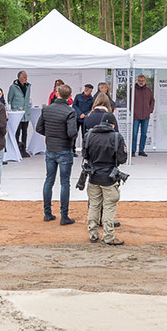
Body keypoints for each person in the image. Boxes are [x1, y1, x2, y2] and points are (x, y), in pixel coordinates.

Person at [82, 110, 128, 245]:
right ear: (113, 125)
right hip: (109, 178)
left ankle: (93, 234)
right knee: (109, 206)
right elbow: (122, 158)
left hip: (93, 176)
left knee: (94, 205)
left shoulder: (89, 135)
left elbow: (85, 154)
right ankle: (108, 236)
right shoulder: (116, 137)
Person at [37, 84, 79, 224]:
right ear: (69, 96)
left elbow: (39, 128)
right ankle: (64, 216)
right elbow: (72, 133)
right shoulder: (70, 111)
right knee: (64, 182)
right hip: (64, 149)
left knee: (49, 180)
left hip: (51, 148)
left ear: (56, 94)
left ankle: (47, 213)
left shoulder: (47, 109)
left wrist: (50, 134)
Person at [8, 71, 32, 157]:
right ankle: (16, 149)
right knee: (17, 132)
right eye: (25, 77)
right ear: (20, 78)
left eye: (26, 77)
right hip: (17, 114)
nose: (26, 79)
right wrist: (14, 108)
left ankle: (23, 150)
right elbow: (9, 99)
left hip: (25, 114)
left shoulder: (28, 86)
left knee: (25, 132)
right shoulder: (13, 87)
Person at [132, 73, 154, 157]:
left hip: (145, 116)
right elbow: (129, 100)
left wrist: (150, 110)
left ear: (145, 81)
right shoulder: (133, 89)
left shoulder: (148, 90)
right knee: (134, 134)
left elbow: (152, 101)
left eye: (142, 81)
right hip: (135, 116)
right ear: (137, 81)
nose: (141, 82)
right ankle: (133, 151)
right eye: (139, 81)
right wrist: (132, 110)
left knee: (144, 134)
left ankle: (141, 150)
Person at [73, 84, 95, 151]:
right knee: (74, 134)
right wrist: (80, 113)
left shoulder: (92, 99)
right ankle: (72, 149)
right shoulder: (78, 96)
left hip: (85, 119)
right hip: (77, 118)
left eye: (88, 89)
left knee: (84, 135)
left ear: (91, 90)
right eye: (85, 88)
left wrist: (84, 114)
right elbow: (74, 105)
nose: (86, 90)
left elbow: (92, 109)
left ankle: (84, 150)